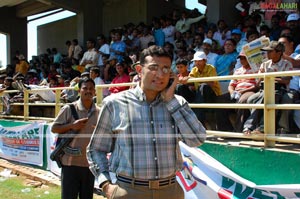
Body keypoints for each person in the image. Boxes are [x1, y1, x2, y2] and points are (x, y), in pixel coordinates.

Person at [87, 45, 206, 199]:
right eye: (154, 68)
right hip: (128, 191)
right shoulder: (114, 104)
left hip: (170, 191)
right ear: (139, 70)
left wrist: (171, 101)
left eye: (165, 69)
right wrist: (106, 185)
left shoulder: (177, 103)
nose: (160, 74)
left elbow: (197, 139)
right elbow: (96, 149)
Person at [51, 78, 100, 199]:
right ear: (79, 91)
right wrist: (72, 126)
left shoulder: (99, 112)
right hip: (70, 164)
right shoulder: (69, 109)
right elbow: (54, 128)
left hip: (89, 165)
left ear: (94, 92)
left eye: (91, 89)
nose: (88, 91)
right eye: (85, 88)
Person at [243, 41, 293, 135]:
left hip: (279, 89)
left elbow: (287, 81)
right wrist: (262, 75)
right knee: (251, 99)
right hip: (264, 88)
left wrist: (271, 77)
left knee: (270, 97)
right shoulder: (265, 64)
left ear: (279, 53)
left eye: (270, 51)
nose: (267, 53)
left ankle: (258, 127)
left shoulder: (287, 64)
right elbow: (258, 82)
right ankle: (257, 126)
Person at [216, 51, 258, 132]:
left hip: (249, 90)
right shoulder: (238, 70)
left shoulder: (256, 69)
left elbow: (257, 85)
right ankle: (225, 130)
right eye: (241, 58)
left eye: (244, 58)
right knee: (220, 99)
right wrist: (232, 92)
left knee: (243, 100)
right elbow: (231, 85)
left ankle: (239, 130)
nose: (242, 60)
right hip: (237, 91)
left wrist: (244, 91)